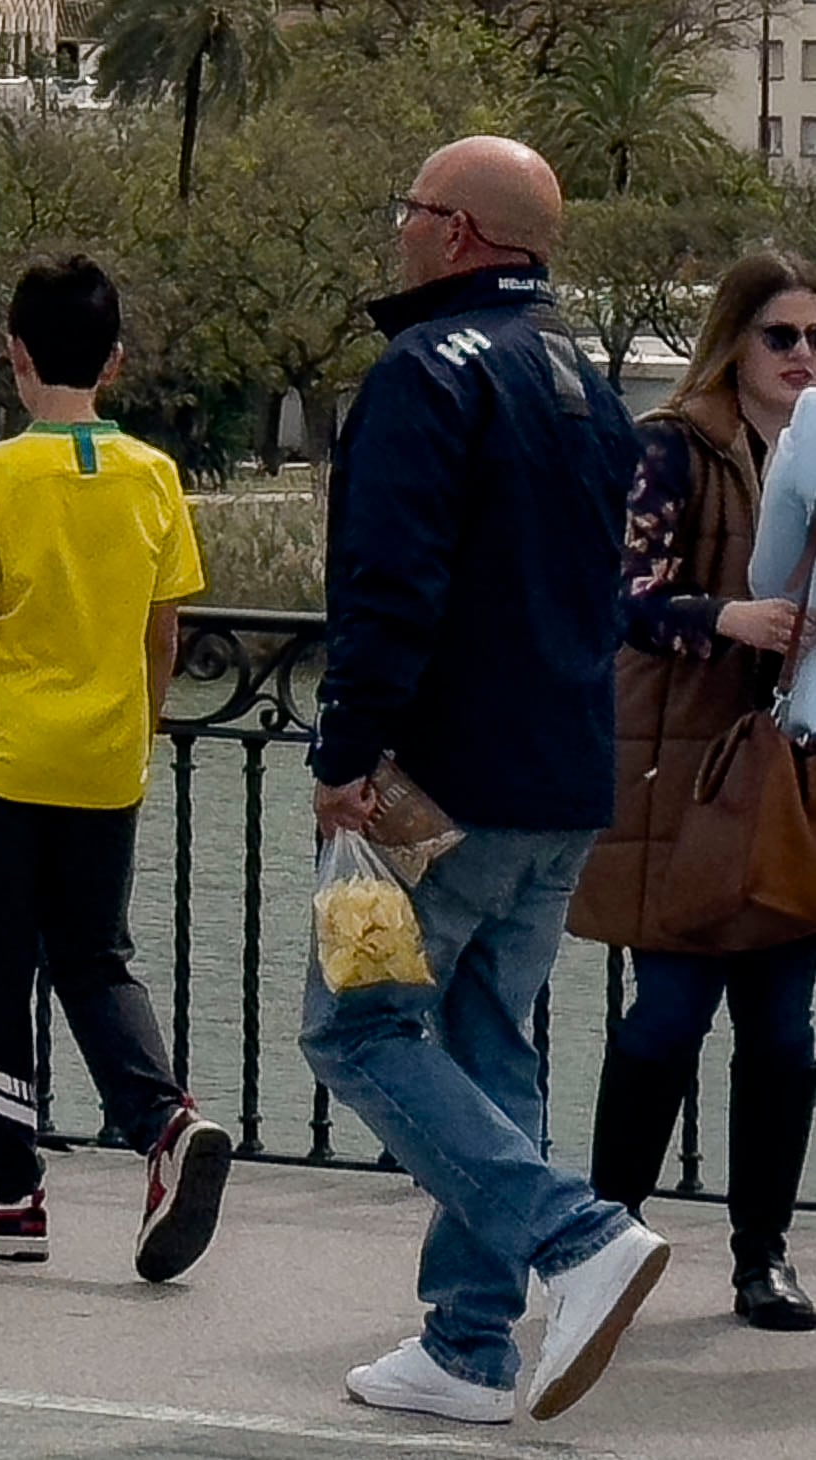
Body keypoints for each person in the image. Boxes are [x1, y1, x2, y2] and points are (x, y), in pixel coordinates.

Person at [300, 136, 659, 1423]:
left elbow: (390, 585)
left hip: (433, 786)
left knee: (354, 1024)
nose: (397, 229)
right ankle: (467, 1340)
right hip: (564, 776)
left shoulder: (422, 372)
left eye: (410, 209)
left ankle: (574, 1236)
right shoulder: (587, 379)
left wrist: (347, 753)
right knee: (487, 1035)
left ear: (456, 231)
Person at [0, 256, 232, 1279]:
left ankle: (12, 1194)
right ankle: (162, 1118)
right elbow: (163, 635)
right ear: (117, 359)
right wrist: (137, 734)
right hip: (108, 765)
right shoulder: (154, 475)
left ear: (13, 354)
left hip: (4, 762)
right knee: (96, 958)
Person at [581, 252, 816, 1330]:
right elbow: (623, 597)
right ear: (735, 339)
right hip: (690, 772)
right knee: (666, 1017)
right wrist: (731, 617)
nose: (802, 355)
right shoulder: (675, 446)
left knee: (781, 1032)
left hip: (791, 776)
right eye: (782, 335)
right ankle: (604, 1235)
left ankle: (761, 1252)